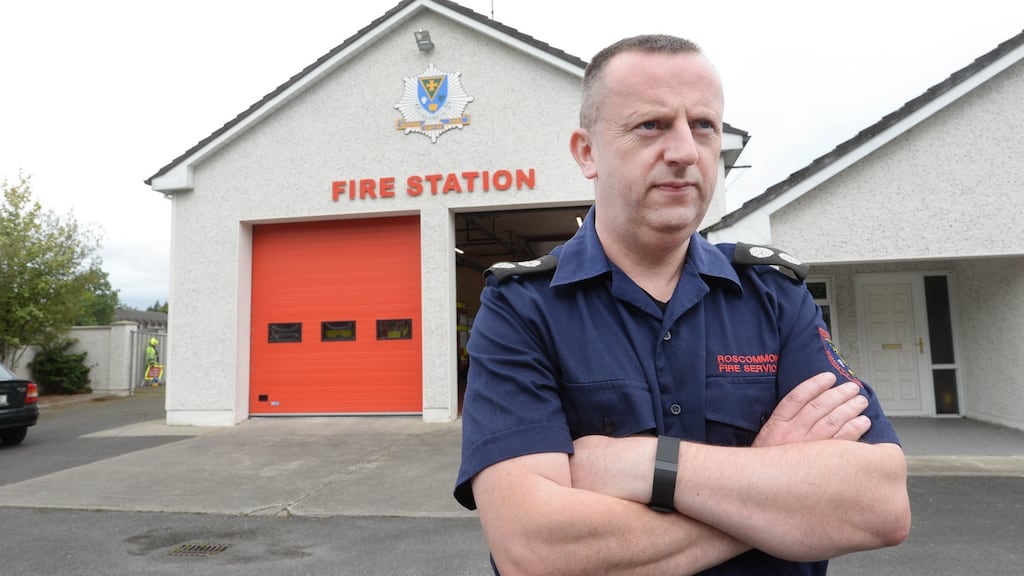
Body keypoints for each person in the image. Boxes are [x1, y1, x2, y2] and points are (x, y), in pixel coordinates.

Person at [454, 34, 910, 575]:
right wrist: (771, 494)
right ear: (587, 152)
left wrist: (649, 465)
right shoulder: (522, 309)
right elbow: (535, 550)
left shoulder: (775, 296)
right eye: (651, 125)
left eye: (704, 126)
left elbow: (878, 506)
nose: (684, 151)